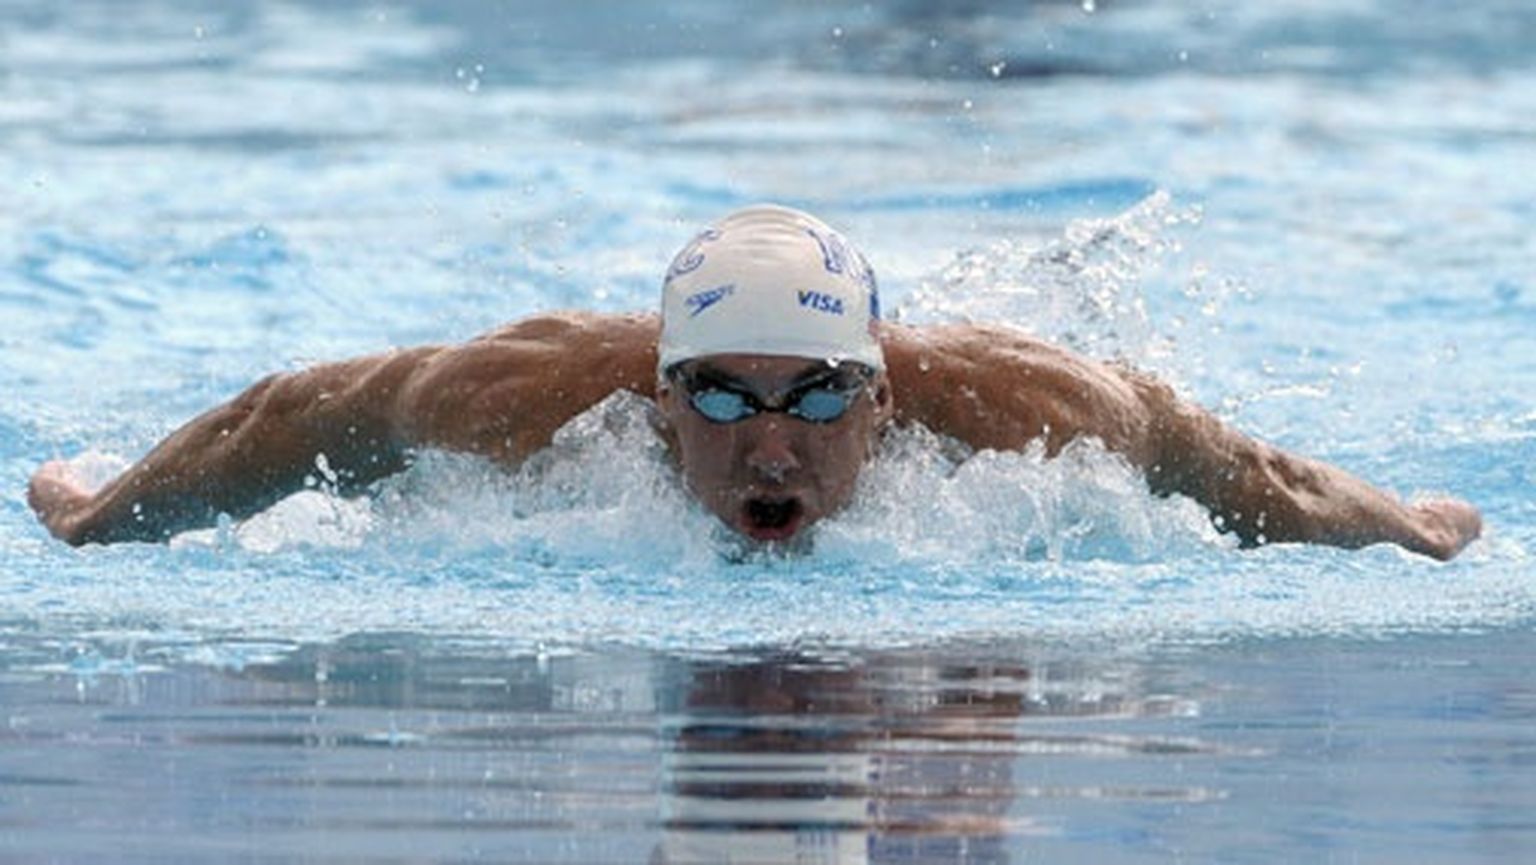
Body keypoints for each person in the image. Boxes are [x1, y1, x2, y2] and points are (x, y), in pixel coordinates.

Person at [26, 204, 1481, 559]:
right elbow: (281, 417)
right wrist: (100, 518)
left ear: (886, 395)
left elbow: (1258, 480)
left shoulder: (1032, 413)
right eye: (719, 398)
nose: (769, 445)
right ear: (657, 402)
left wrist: (1410, 532)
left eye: (818, 397)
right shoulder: (519, 402)